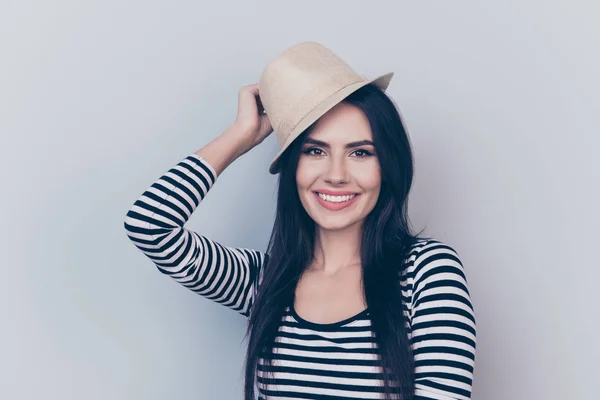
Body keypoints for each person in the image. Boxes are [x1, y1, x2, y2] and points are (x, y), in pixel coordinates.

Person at [124, 42, 476, 400]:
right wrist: (240, 135)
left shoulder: (426, 271)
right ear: (293, 167)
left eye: (360, 152)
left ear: (387, 165)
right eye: (315, 151)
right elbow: (149, 226)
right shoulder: (263, 280)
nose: (336, 175)